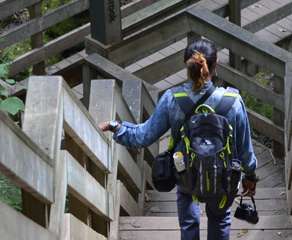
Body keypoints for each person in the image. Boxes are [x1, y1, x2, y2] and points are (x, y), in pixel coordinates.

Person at [98, 39, 257, 240]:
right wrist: (250, 176)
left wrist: (112, 125)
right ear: (215, 65)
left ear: (186, 66)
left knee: (189, 224)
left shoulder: (172, 99)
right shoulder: (233, 101)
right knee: (220, 220)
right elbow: (244, 150)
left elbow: (142, 136)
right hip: (224, 180)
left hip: (186, 177)